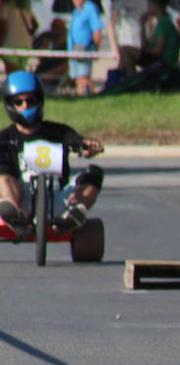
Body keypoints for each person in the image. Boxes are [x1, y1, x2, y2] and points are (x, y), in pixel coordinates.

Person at [0, 71, 105, 239]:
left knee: (94, 174)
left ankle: (74, 215)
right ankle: (13, 215)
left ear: (39, 101)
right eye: (19, 102)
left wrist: (86, 146)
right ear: (10, 105)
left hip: (56, 199)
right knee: (3, 173)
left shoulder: (59, 132)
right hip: (20, 199)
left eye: (30, 100)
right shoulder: (4, 138)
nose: (25, 106)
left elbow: (76, 142)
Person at [67, 0, 105, 96]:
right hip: (73, 50)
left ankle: (89, 97)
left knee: (84, 77)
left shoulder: (90, 8)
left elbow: (97, 31)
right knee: (78, 78)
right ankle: (81, 98)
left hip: (85, 49)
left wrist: (95, 49)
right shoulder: (76, 11)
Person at [138, 0, 180, 76]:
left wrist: (143, 53)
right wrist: (142, 26)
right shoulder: (160, 22)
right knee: (125, 52)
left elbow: (158, 51)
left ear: (156, 6)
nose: (147, 7)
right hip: (159, 61)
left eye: (149, 4)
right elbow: (144, 46)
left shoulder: (164, 22)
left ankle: (132, 81)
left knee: (126, 52)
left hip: (164, 63)